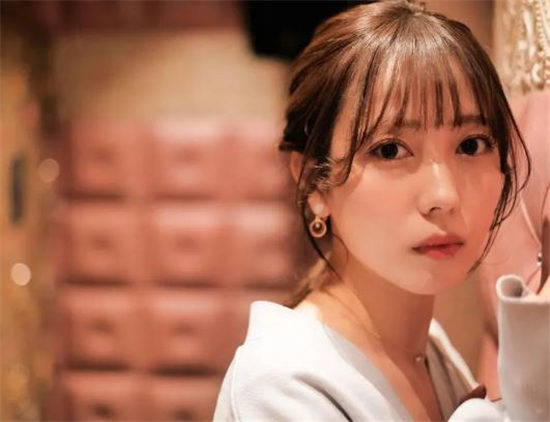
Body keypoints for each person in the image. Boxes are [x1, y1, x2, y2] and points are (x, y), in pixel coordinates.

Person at [213, 1, 550, 420]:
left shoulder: (429, 349)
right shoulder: (279, 383)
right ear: (314, 181)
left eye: (471, 144)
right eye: (389, 150)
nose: (444, 195)